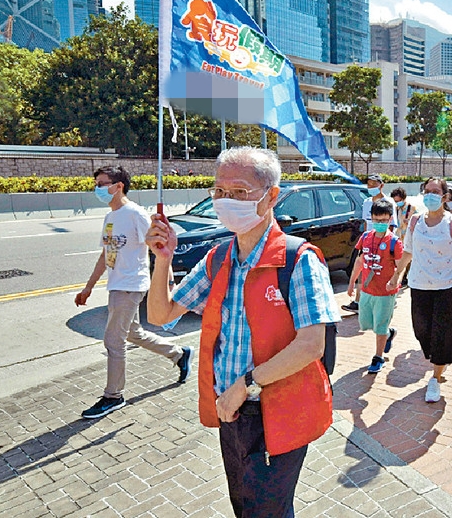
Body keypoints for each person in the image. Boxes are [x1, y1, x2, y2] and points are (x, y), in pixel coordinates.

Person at [145, 147, 341, 517]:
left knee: (266, 510)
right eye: (219, 191)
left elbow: (312, 345)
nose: (226, 200)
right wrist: (163, 259)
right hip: (230, 410)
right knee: (245, 506)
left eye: (239, 191)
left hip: (275, 409)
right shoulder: (218, 258)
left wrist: (244, 385)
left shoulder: (298, 259)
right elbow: (161, 314)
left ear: (270, 196)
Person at [74, 166, 191, 420]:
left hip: (131, 285)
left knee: (113, 341)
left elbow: (158, 248)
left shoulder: (135, 214)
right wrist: (89, 286)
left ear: (118, 186)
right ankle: (179, 354)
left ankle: (113, 396)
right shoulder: (110, 218)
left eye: (102, 183)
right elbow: (106, 255)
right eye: (96, 183)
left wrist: (168, 282)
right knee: (133, 334)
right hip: (117, 284)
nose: (98, 188)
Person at [387, 178, 452, 403]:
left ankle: (435, 377)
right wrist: (396, 276)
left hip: (447, 288)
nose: (430, 195)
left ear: (444, 197)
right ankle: (437, 360)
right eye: (427, 191)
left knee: (443, 335)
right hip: (420, 286)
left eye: (435, 192)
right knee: (422, 331)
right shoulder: (415, 222)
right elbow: (407, 252)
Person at [347, 200, 402, 374]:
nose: (380, 223)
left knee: (379, 326)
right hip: (367, 290)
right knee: (365, 322)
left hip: (385, 293)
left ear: (390, 219)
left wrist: (394, 280)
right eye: (377, 219)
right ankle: (388, 332)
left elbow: (401, 265)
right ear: (371, 218)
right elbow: (359, 260)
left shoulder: (394, 242)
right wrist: (352, 283)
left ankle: (377, 357)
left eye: (384, 220)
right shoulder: (365, 237)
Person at [344, 174, 397, 313]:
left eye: (374, 184)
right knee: (363, 269)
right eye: (369, 184)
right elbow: (366, 224)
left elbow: (391, 226)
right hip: (369, 242)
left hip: (384, 245)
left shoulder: (389, 202)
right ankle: (358, 301)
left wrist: (385, 242)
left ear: (382, 185)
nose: (371, 187)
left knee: (382, 272)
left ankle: (387, 297)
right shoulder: (367, 202)